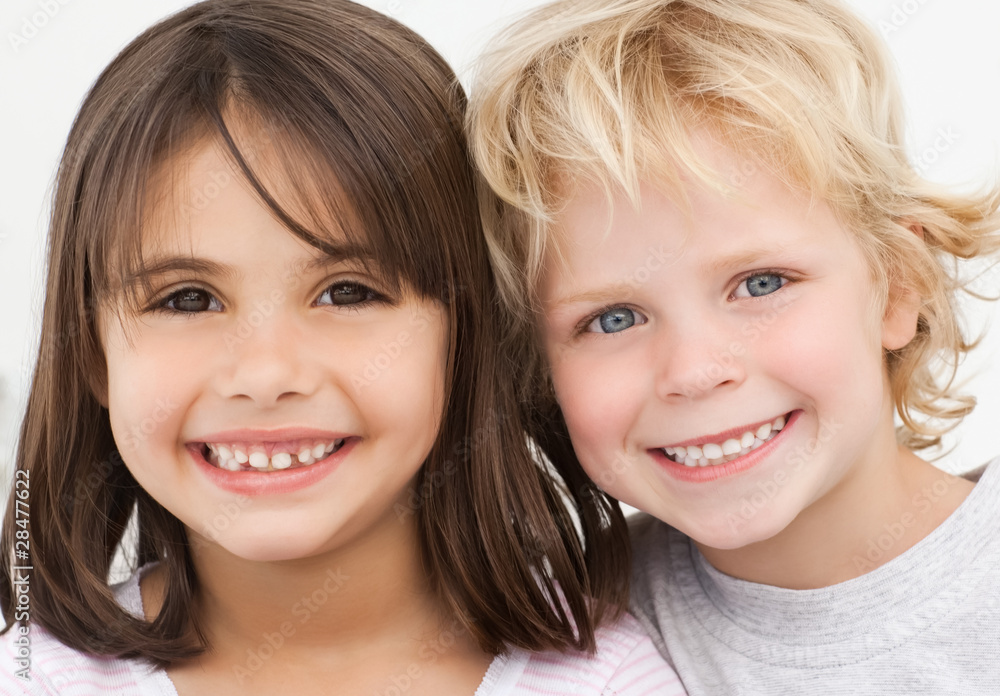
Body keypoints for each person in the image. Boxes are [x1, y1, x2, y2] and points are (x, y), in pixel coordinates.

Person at [0, 1, 686, 693]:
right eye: (187, 300)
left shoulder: (607, 678)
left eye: (348, 292)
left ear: (469, 332)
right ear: (91, 354)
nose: (266, 374)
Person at [467, 0, 1000, 692]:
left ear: (898, 286)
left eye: (761, 283)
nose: (693, 372)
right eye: (615, 319)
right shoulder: (563, 646)